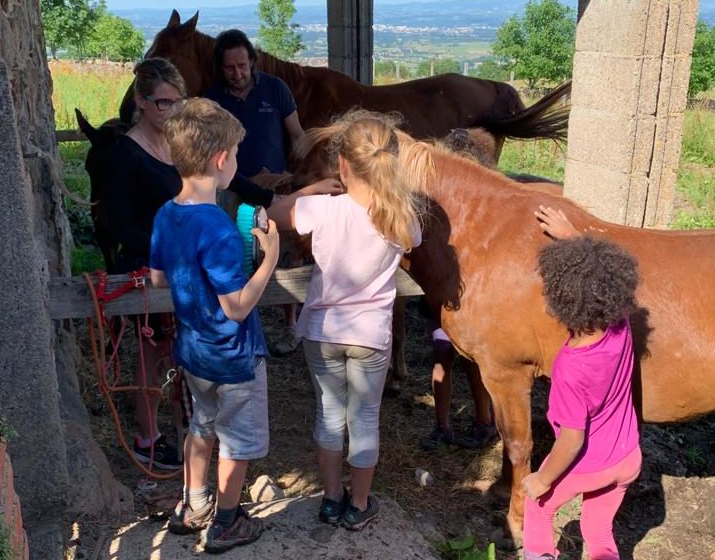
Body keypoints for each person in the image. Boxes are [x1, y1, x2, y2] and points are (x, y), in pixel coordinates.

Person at [103, 57, 281, 471]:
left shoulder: (174, 194)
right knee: (230, 436)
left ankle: (195, 498)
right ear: (141, 102)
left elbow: (162, 275)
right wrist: (267, 258)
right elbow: (119, 225)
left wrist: (287, 200)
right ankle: (224, 515)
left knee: (200, 417)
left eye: (176, 101)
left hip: (188, 309)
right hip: (208, 321)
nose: (171, 110)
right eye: (164, 103)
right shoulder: (127, 157)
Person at [267, 112, 422, 531]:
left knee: (329, 416)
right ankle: (359, 503)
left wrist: (310, 190)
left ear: (342, 165)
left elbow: (273, 212)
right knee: (365, 419)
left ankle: (331, 499)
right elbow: (416, 240)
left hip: (322, 330)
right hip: (371, 335)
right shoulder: (401, 216)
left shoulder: (320, 209)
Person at [521, 205, 642, 560]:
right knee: (598, 532)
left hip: (589, 464)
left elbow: (572, 440)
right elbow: (598, 276)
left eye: (550, 290)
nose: (545, 295)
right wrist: (571, 235)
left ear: (565, 303)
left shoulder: (571, 368)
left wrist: (542, 480)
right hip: (627, 457)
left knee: (539, 508)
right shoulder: (619, 323)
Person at [205, 28, 305, 357]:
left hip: (276, 185)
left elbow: (297, 136)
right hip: (233, 188)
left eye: (242, 66)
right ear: (220, 68)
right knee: (236, 252)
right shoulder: (212, 100)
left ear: (253, 61)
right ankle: (243, 320)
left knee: (286, 253)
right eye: (230, 68)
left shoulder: (275, 89)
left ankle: (291, 326)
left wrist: (299, 179)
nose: (237, 73)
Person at [418, 322, 497, 451]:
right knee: (441, 358)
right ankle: (442, 427)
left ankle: (485, 423)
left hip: (469, 308)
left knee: (471, 358)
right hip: (439, 308)